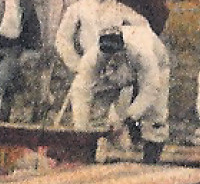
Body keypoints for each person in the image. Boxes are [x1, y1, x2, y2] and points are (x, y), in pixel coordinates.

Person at [72, 23, 170, 163]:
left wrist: (128, 117)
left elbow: (150, 88)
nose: (111, 55)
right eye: (107, 52)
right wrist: (81, 129)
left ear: (123, 45)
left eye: (114, 51)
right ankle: (89, 155)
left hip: (155, 65)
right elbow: (81, 89)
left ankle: (151, 158)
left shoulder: (142, 53)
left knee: (154, 114)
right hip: (116, 73)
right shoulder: (93, 58)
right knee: (96, 107)